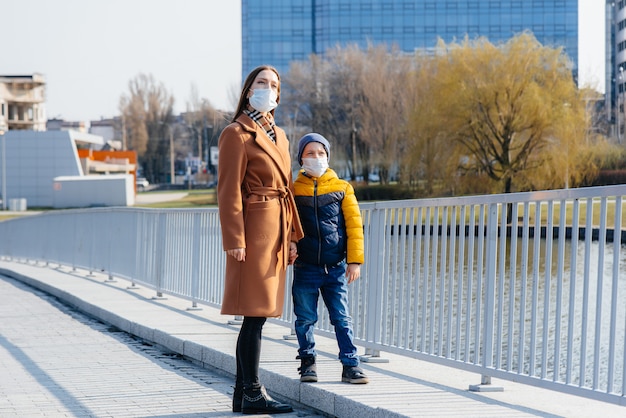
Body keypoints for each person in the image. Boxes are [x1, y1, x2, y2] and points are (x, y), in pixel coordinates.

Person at [217, 65, 303, 414]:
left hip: (277, 229)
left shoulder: (280, 136)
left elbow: (287, 189)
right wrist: (234, 239)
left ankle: (244, 394)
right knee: (255, 313)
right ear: (248, 89)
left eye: (274, 85)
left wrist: (294, 235)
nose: (269, 89)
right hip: (253, 231)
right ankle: (251, 391)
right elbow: (227, 192)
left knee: (261, 312)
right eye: (262, 83)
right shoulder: (236, 134)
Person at [291, 133, 369, 384]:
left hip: (335, 268)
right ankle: (307, 362)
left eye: (321, 153)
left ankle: (350, 364)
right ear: (301, 157)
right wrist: (290, 244)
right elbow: (287, 224)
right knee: (305, 319)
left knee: (341, 318)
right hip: (305, 267)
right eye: (310, 153)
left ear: (328, 156)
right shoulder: (293, 189)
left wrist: (355, 261)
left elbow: (354, 227)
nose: (316, 158)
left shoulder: (342, 188)